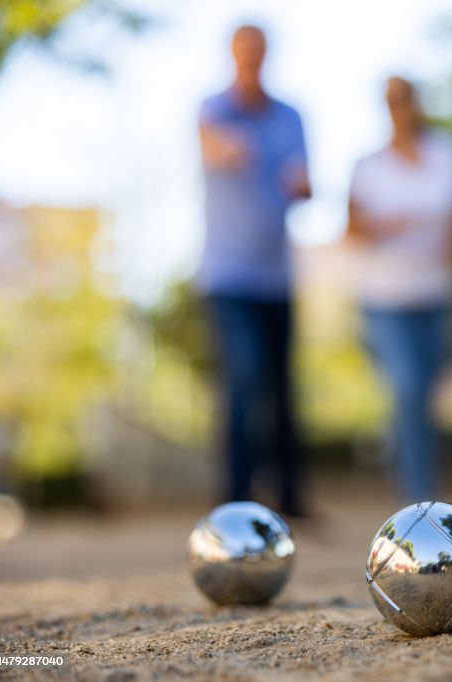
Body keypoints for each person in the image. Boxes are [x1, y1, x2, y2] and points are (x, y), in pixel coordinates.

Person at [198, 25, 312, 516]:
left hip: (277, 274)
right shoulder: (214, 110)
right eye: (243, 54)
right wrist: (237, 149)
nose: (250, 61)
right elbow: (216, 148)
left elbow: (306, 183)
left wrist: (300, 183)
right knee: (244, 377)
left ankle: (290, 498)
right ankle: (236, 500)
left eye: (257, 53)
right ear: (232, 55)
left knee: (283, 386)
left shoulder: (290, 116)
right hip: (227, 274)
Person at [345, 77, 452, 502]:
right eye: (391, 102)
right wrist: (387, 224)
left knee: (429, 398)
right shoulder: (369, 165)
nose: (399, 108)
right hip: (386, 297)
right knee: (409, 389)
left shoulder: (449, 154)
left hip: (436, 293)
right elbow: (351, 229)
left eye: (405, 100)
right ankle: (418, 498)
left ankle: (421, 483)